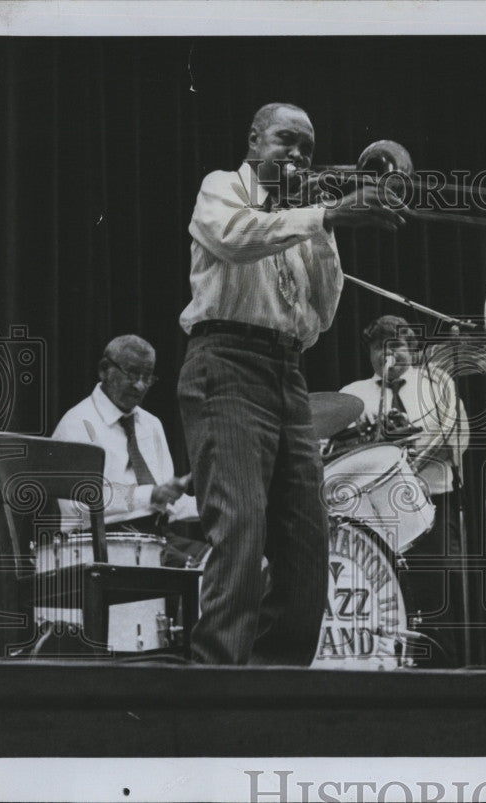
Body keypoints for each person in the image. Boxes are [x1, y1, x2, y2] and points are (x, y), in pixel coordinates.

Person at [177, 102, 404, 665]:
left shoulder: (303, 217)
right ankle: (215, 687)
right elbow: (234, 236)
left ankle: (273, 687)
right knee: (241, 533)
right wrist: (325, 215)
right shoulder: (223, 187)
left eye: (308, 147)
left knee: (307, 549)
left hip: (287, 373)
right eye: (286, 141)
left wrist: (324, 231)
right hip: (225, 361)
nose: (300, 155)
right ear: (254, 142)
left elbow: (321, 317)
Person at [338, 315, 469, 666]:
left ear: (410, 348)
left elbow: (458, 437)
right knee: (387, 588)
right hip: (376, 509)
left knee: (437, 588)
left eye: (395, 345)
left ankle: (445, 670)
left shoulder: (436, 382)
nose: (388, 355)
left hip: (433, 498)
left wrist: (416, 452)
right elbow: (335, 452)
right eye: (379, 348)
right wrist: (363, 436)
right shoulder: (353, 394)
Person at [52, 335, 206, 568]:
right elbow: (80, 503)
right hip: (100, 545)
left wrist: (214, 507)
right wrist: (150, 494)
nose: (140, 386)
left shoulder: (151, 424)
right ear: (104, 370)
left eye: (148, 377)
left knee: (242, 567)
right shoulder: (77, 423)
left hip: (157, 537)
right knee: (203, 575)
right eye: (133, 374)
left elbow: (165, 502)